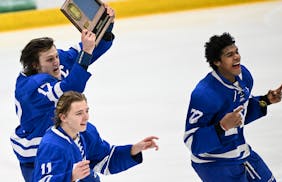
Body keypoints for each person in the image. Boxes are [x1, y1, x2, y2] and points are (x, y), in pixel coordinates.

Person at [10, 6, 115, 182]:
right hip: (37, 155)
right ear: (36, 66)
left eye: (56, 56)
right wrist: (86, 53)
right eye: (50, 59)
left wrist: (106, 24)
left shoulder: (57, 60)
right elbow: (71, 87)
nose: (56, 62)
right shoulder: (30, 87)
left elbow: (90, 46)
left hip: (65, 143)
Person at [183, 32, 281, 182]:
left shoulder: (244, 77)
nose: (237, 57)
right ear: (217, 62)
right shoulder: (204, 95)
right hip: (214, 165)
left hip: (241, 152)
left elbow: (239, 115)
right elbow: (191, 141)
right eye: (229, 55)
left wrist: (265, 101)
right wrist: (221, 127)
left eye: (236, 52)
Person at [33, 91, 159, 181]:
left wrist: (134, 149)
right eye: (79, 113)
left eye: (86, 111)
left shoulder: (87, 132)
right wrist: (71, 176)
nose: (86, 117)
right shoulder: (52, 146)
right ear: (63, 117)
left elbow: (105, 159)